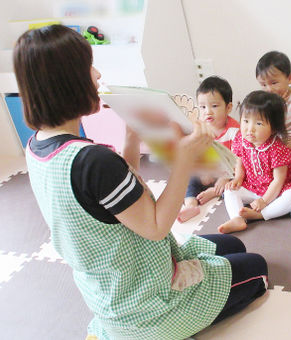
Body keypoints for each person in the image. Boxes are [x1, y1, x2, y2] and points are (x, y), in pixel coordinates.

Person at [15, 25, 268, 339]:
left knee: (231, 244)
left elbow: (117, 200)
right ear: (67, 82)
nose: (96, 75)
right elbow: (156, 226)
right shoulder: (92, 161)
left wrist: (131, 138)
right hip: (147, 302)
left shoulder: (39, 145)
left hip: (116, 285)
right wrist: (184, 160)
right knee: (257, 267)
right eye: (88, 67)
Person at [218, 91, 291, 233]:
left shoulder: (277, 149)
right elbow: (240, 161)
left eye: (259, 123)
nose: (250, 128)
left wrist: (264, 201)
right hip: (252, 186)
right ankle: (237, 219)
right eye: (246, 121)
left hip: (277, 191)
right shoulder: (240, 140)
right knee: (229, 190)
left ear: (273, 128)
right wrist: (238, 178)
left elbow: (279, 181)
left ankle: (260, 215)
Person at [177, 76, 240, 222]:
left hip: (229, 172)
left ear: (228, 107)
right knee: (189, 178)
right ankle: (190, 204)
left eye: (214, 106)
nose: (208, 112)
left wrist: (224, 177)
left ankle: (214, 192)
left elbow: (238, 160)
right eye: (203, 107)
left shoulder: (234, 131)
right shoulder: (199, 128)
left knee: (235, 185)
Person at [256, 51, 291, 157]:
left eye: (274, 83)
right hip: (274, 143)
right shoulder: (265, 102)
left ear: (289, 78)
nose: (269, 89)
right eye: (263, 85)